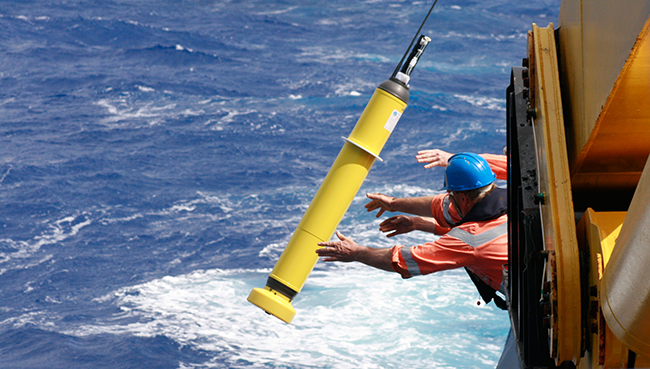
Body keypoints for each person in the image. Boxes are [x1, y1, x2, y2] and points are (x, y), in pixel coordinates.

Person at [316, 151, 509, 308]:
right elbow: (442, 207)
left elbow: (408, 260)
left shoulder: (470, 240)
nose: (448, 199)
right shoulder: (507, 201)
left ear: (463, 198)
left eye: (451, 194)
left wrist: (357, 253)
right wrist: (397, 206)